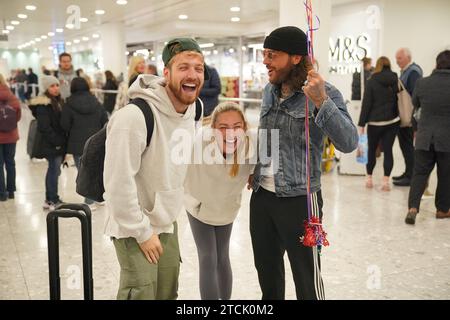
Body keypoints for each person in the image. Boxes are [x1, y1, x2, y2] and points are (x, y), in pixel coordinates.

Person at [249, 26, 358, 300]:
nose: (265, 61)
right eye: (265, 54)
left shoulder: (323, 91)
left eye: (272, 55)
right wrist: (257, 168)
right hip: (263, 200)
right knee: (268, 278)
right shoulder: (269, 91)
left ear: (295, 58)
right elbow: (268, 136)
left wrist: (321, 101)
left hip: (302, 201)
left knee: (307, 281)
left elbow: (349, 142)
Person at [104, 38, 207, 300]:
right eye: (184, 67)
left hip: (167, 222)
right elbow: (117, 183)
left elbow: (179, 163)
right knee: (141, 293)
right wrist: (141, 231)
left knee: (167, 292)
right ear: (166, 73)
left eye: (199, 68)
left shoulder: (194, 110)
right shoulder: (134, 117)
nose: (193, 74)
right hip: (132, 225)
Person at [184, 102, 255, 300]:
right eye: (223, 127)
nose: (230, 133)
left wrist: (255, 174)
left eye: (236, 126)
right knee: (208, 257)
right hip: (199, 205)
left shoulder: (251, 144)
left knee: (222, 257)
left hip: (225, 207)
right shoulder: (198, 142)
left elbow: (265, 163)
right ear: (213, 130)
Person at [404, 50, 450, 224]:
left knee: (419, 174)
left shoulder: (422, 83)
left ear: (437, 63)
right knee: (445, 175)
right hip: (447, 139)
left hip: (424, 137)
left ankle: (413, 208)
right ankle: (443, 209)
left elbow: (415, 107)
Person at [60, 77, 108, 208]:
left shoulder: (68, 104)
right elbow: (105, 119)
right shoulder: (96, 102)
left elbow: (64, 124)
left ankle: (89, 201)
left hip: (77, 144)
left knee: (84, 171)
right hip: (96, 142)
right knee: (98, 169)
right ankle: (98, 197)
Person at [358, 57, 400, 191]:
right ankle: (385, 181)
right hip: (392, 121)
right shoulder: (395, 79)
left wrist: (362, 123)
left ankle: (369, 178)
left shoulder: (372, 80)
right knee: (388, 151)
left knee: (371, 150)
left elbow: (367, 103)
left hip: (374, 122)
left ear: (378, 65)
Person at [29, 76, 66, 210]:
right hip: (51, 143)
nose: (56, 88)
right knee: (53, 170)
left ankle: (50, 198)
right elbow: (45, 127)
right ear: (46, 88)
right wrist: (56, 141)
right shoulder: (44, 104)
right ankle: (52, 199)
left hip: (56, 142)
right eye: (52, 86)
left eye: (57, 85)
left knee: (54, 170)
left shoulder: (57, 100)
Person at [393, 48, 423, 187]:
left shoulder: (413, 72)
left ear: (408, 57)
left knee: (408, 146)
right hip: (405, 116)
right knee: (405, 146)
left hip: (409, 117)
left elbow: (415, 96)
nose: (397, 61)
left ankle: (410, 176)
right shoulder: (406, 72)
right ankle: (407, 172)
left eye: (399, 58)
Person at [0, 73, 21, 201]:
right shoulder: (11, 95)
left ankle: (2, 194)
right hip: (11, 135)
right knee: (10, 163)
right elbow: (17, 115)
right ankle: (11, 191)